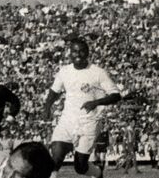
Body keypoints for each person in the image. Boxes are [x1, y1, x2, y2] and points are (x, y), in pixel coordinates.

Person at [43, 37, 121, 178]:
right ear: (70, 53)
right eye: (74, 51)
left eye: (82, 51)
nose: (78, 54)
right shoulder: (64, 72)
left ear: (88, 53)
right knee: (56, 155)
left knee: (80, 167)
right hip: (67, 121)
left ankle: (97, 173)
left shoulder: (98, 72)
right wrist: (47, 108)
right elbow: (54, 92)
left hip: (89, 122)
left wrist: (95, 103)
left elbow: (116, 95)